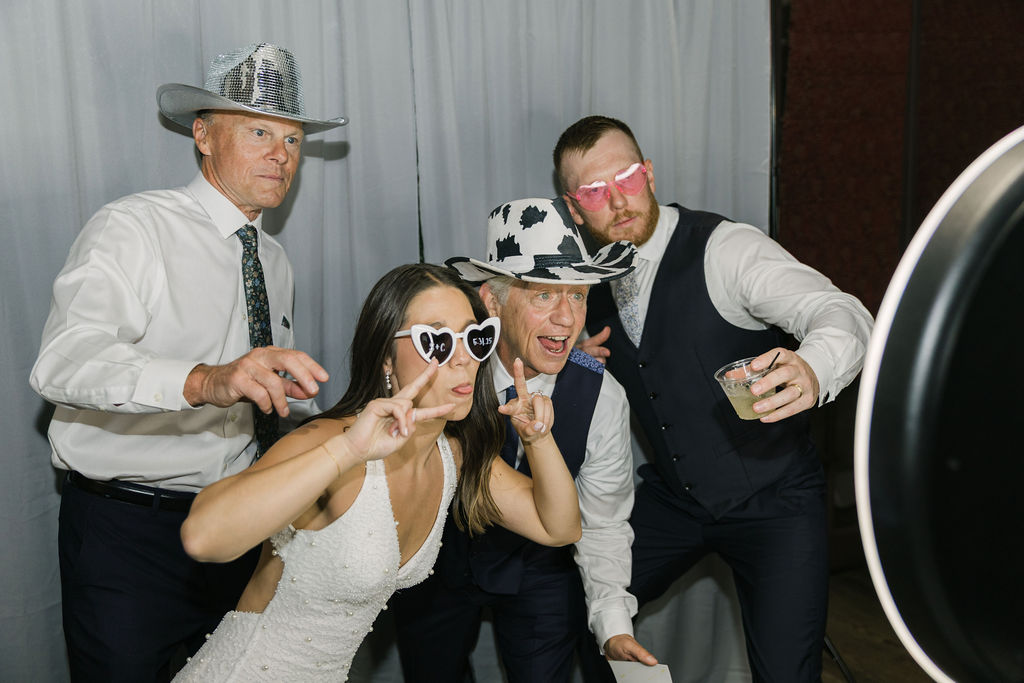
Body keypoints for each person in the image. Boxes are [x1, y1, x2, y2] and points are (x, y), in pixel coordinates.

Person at [29, 43, 345, 682]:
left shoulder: (274, 261)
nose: (281, 154)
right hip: (128, 537)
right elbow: (63, 363)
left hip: (240, 528)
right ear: (202, 135)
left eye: (291, 140)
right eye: (259, 131)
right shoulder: (133, 227)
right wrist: (205, 380)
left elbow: (260, 392)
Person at [553, 115, 875, 681]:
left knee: (785, 672)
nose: (619, 201)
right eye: (595, 192)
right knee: (576, 613)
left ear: (649, 173)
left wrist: (813, 366)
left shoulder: (726, 250)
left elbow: (841, 311)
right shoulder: (583, 279)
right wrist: (571, 355)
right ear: (575, 208)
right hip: (677, 498)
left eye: (627, 177)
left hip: (774, 496)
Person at [171, 262, 581, 681]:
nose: (463, 358)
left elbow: (560, 527)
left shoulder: (450, 454)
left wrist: (538, 440)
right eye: (436, 340)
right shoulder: (329, 439)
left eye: (475, 338)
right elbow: (203, 537)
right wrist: (347, 450)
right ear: (387, 357)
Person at [390, 198, 655, 683]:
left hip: (541, 573)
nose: (566, 318)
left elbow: (604, 520)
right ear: (492, 301)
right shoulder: (444, 368)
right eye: (542, 295)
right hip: (434, 567)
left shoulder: (602, 395)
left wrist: (614, 624)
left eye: (577, 295)